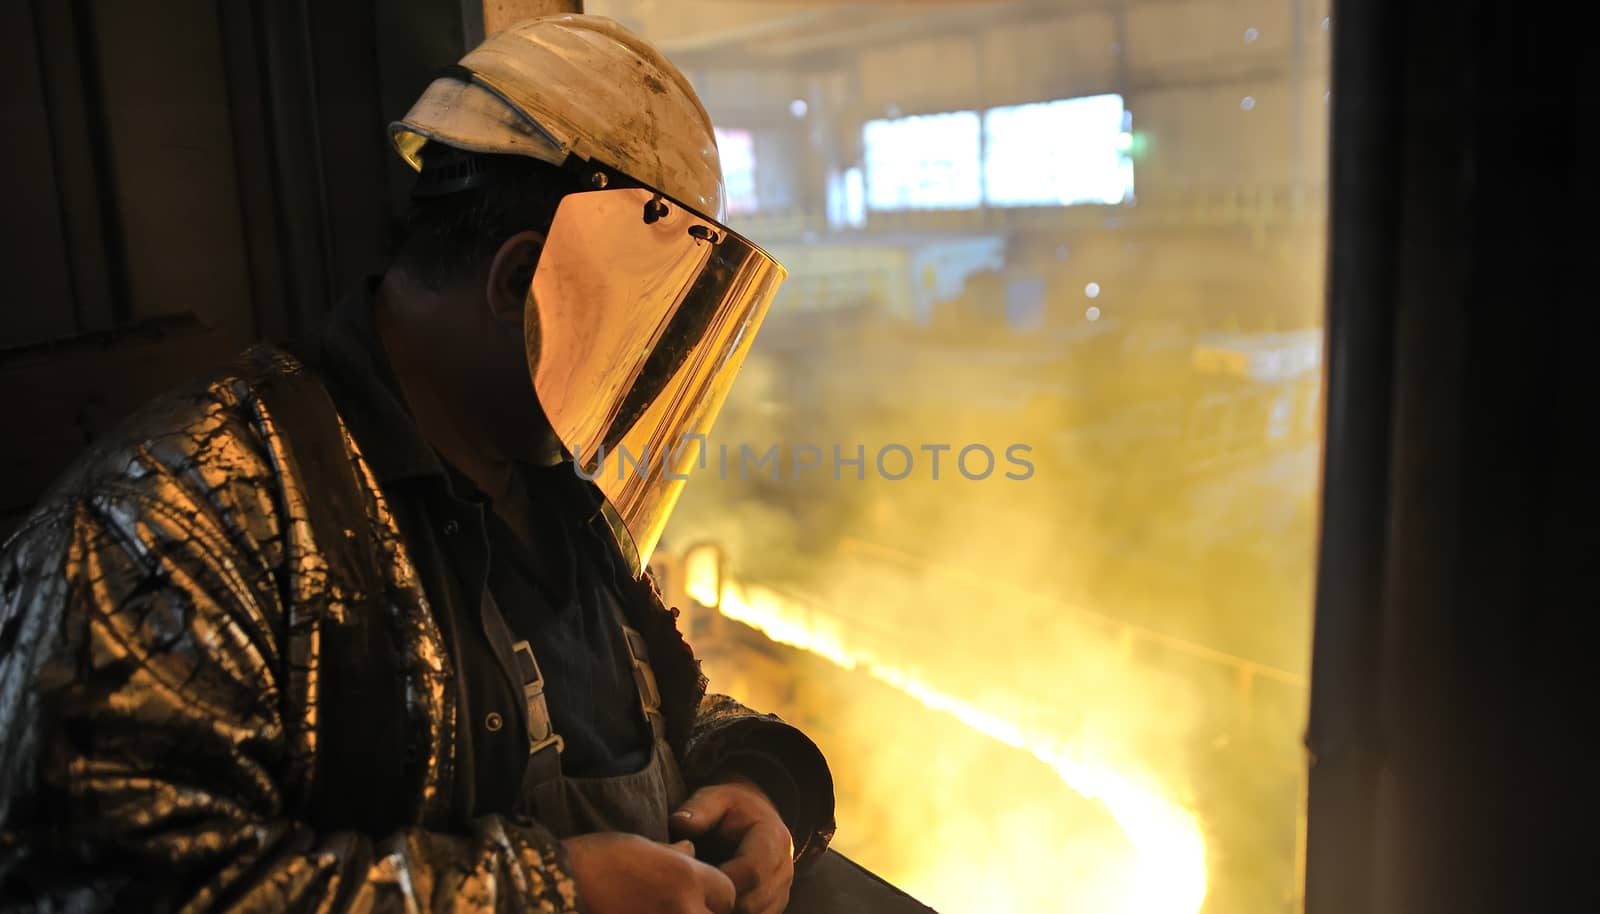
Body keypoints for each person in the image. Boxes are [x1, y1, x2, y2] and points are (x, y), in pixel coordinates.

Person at [0, 15, 835, 914]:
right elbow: (110, 888)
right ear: (522, 288)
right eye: (643, 337)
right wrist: (546, 897)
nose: (642, 380)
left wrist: (759, 782)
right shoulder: (166, 524)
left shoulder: (548, 492)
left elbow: (650, 719)